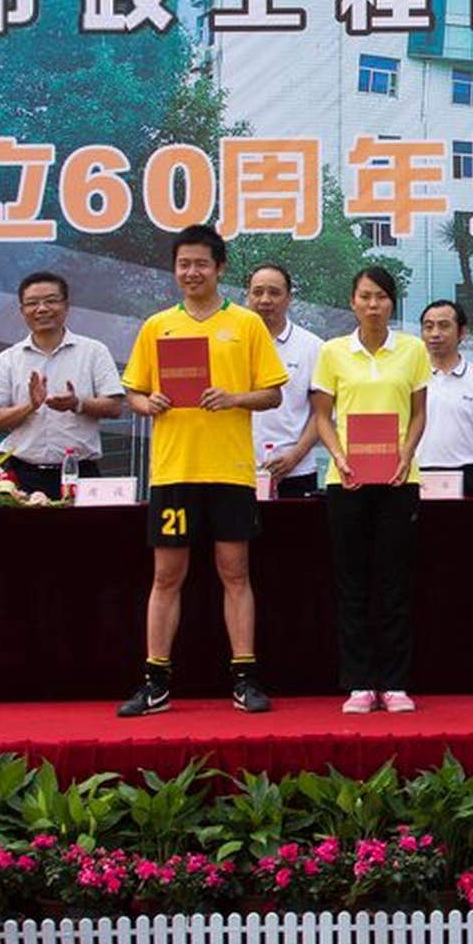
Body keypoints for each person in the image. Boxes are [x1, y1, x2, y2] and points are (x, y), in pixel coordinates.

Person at [117, 225, 287, 717]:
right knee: (166, 576)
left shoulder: (247, 324)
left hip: (230, 471)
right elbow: (133, 392)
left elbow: (273, 393)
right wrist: (147, 402)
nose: (192, 272)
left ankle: (244, 678)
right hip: (174, 471)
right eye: (183, 264)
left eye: (201, 264)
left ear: (220, 268)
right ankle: (155, 682)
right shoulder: (158, 326)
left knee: (235, 573)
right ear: (175, 269)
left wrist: (233, 398)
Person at [310, 267, 431, 714]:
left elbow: (419, 413)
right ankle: (359, 682)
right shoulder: (333, 352)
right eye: (365, 296)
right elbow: (322, 416)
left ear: (392, 303)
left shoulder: (412, 350)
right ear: (352, 301)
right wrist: (339, 457)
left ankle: (395, 683)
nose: (373, 304)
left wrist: (406, 452)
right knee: (353, 584)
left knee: (395, 583)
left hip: (399, 479)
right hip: (347, 480)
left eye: (380, 296)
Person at [0, 271, 126, 499]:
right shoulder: (6, 360)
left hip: (82, 474)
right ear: (22, 311)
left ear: (66, 306)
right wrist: (30, 406)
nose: (42, 309)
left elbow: (115, 407)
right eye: (32, 303)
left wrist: (77, 403)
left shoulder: (94, 352)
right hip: (22, 477)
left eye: (51, 300)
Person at [247, 263, 325, 498]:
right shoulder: (232, 344)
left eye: (274, 292)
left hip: (297, 471)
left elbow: (321, 413)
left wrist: (295, 455)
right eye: (258, 292)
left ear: (289, 298)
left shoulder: (312, 347)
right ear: (248, 296)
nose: (265, 300)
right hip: (239, 470)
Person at [416, 298, 473, 498]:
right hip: (414, 475)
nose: (435, 334)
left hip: (465, 476)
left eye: (444, 326)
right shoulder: (409, 379)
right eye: (428, 327)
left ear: (462, 332)